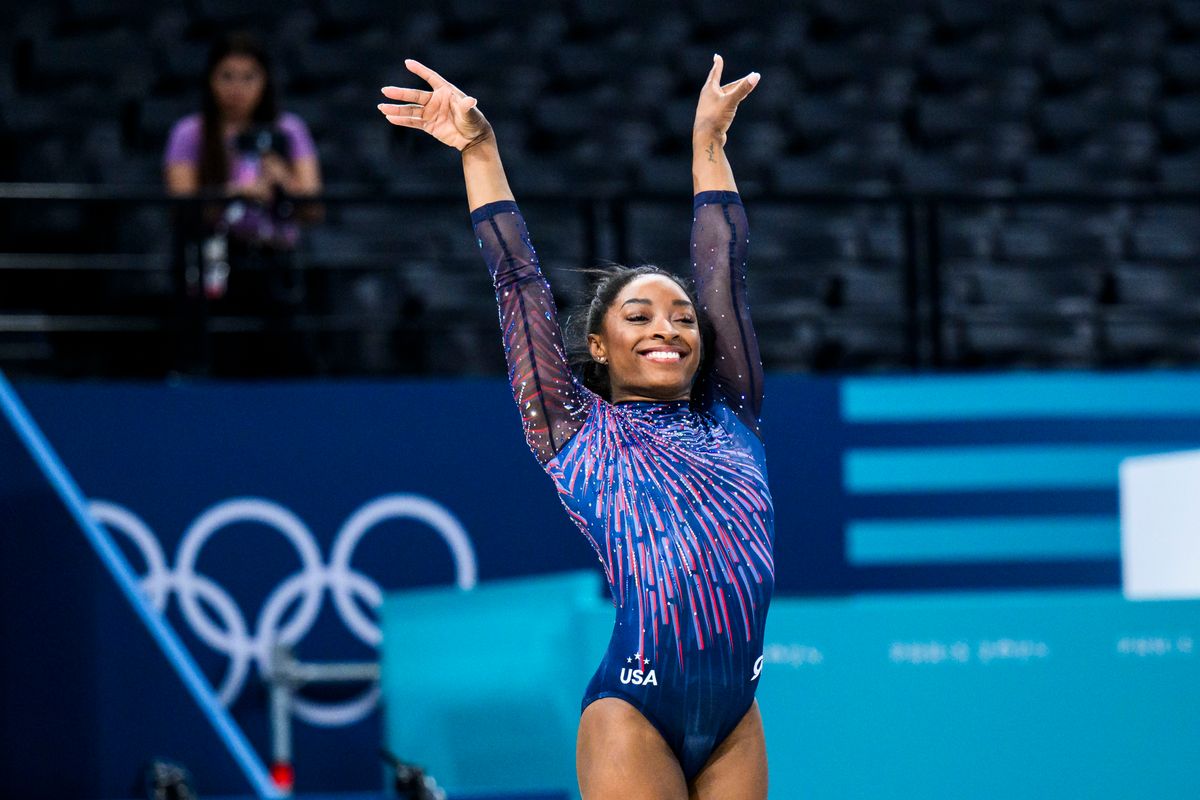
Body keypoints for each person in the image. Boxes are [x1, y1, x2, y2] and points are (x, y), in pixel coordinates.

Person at [379, 55, 771, 799]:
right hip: (635, 712)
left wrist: (709, 147)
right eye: (640, 315)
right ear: (598, 345)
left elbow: (724, 266)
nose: (670, 328)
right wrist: (478, 150)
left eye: (684, 318)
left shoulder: (735, 415)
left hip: (736, 717)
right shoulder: (573, 432)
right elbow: (516, 281)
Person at [164, 32, 322, 374]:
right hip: (216, 266)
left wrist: (283, 179)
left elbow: (313, 207)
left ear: (265, 81)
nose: (238, 88)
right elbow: (181, 207)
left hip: (277, 263)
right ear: (210, 80)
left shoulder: (288, 130)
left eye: (249, 77)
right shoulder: (190, 133)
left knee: (291, 364)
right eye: (227, 76)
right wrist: (236, 193)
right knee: (224, 360)